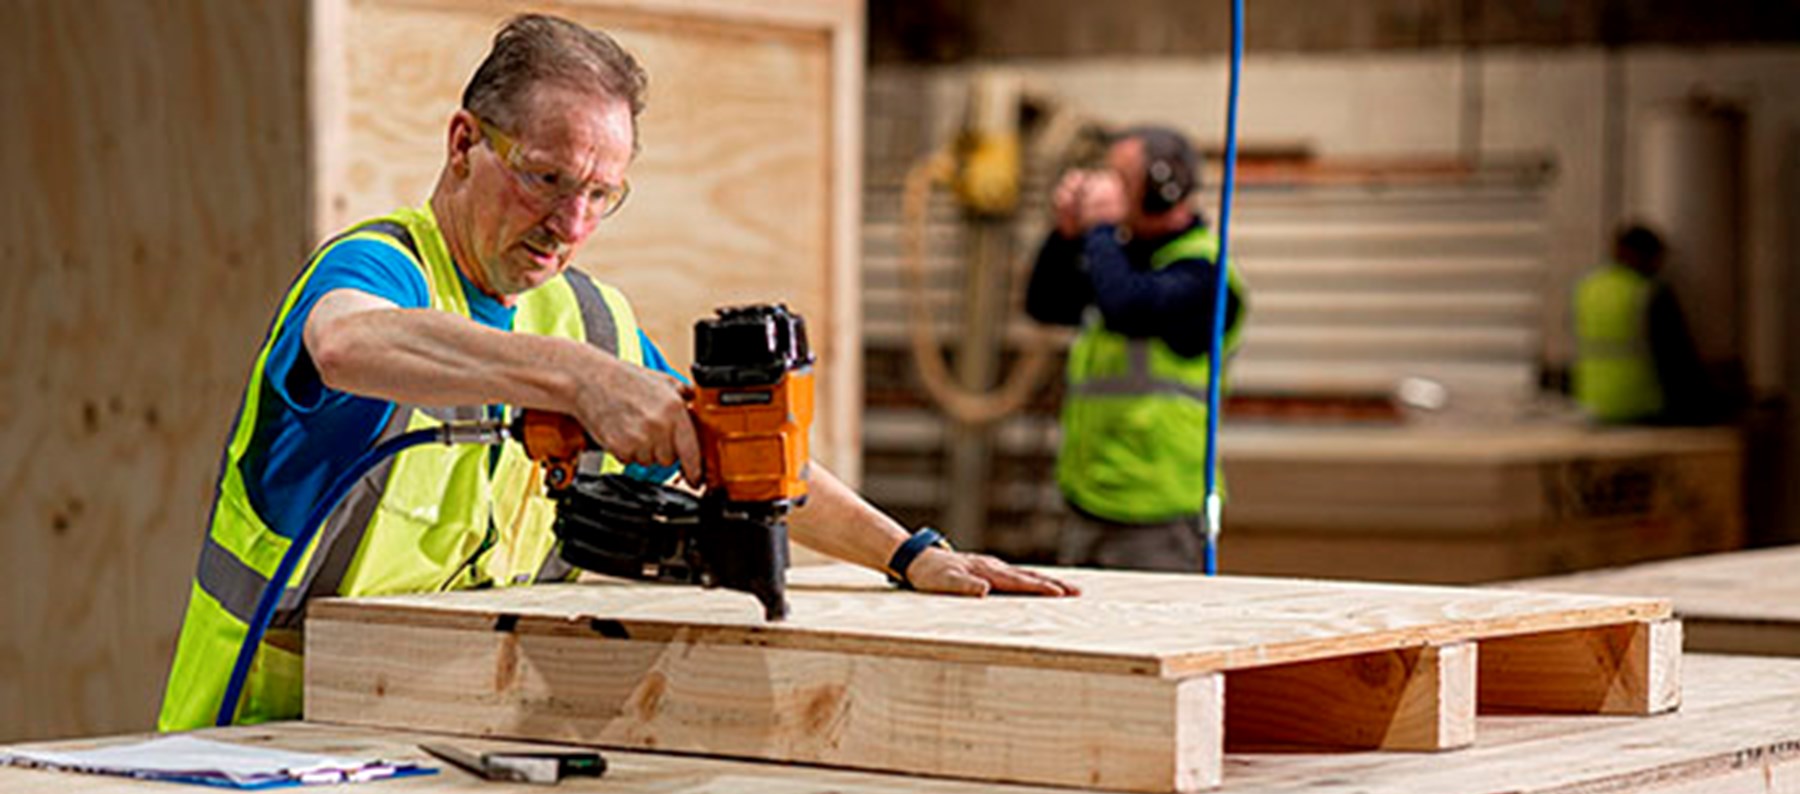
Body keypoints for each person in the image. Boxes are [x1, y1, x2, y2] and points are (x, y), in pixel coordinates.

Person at [159, 14, 1074, 732]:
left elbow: (730, 454)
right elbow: (346, 345)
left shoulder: (588, 316)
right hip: (255, 747)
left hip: (432, 747)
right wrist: (573, 380)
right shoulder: (382, 271)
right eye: (547, 180)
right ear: (463, 143)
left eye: (602, 194)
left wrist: (909, 554)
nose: (572, 224)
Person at [1024, 126, 1247, 572]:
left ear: (1164, 189)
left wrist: (1102, 228)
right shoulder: (1119, 259)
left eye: (1120, 178)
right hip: (1088, 498)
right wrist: (1066, 235)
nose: (1108, 187)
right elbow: (1046, 304)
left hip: (1158, 511)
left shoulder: (1205, 273)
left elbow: (1128, 307)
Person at [1569, 223, 1721, 426]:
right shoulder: (1648, 292)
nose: (1659, 266)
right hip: (1642, 406)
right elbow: (1678, 359)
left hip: (1593, 406)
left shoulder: (1587, 288)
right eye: (1657, 259)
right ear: (1642, 255)